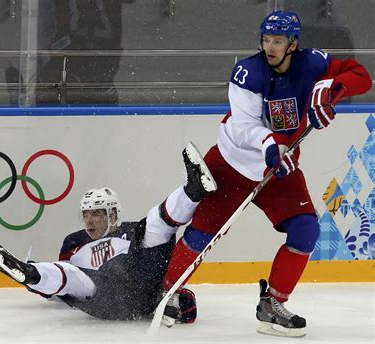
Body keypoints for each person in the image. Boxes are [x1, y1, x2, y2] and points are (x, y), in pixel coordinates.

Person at [159, 11, 372, 337]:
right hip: (233, 165)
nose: (270, 47)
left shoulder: (312, 63)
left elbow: (362, 76)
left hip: (280, 171)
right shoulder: (248, 72)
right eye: (266, 40)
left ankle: (272, 305)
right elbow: (245, 128)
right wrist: (272, 148)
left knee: (306, 231)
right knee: (203, 234)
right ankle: (168, 290)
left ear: (294, 43)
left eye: (278, 41)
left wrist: (331, 87)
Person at [0, 142, 217, 322]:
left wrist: (177, 296)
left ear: (112, 214)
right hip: (106, 298)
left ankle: (193, 191)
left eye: (96, 213)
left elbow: (159, 257)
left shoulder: (131, 231)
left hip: (142, 288)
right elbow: (65, 288)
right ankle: (29, 272)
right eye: (86, 214)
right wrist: (33, 279)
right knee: (74, 276)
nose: (89, 220)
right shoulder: (73, 243)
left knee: (155, 225)